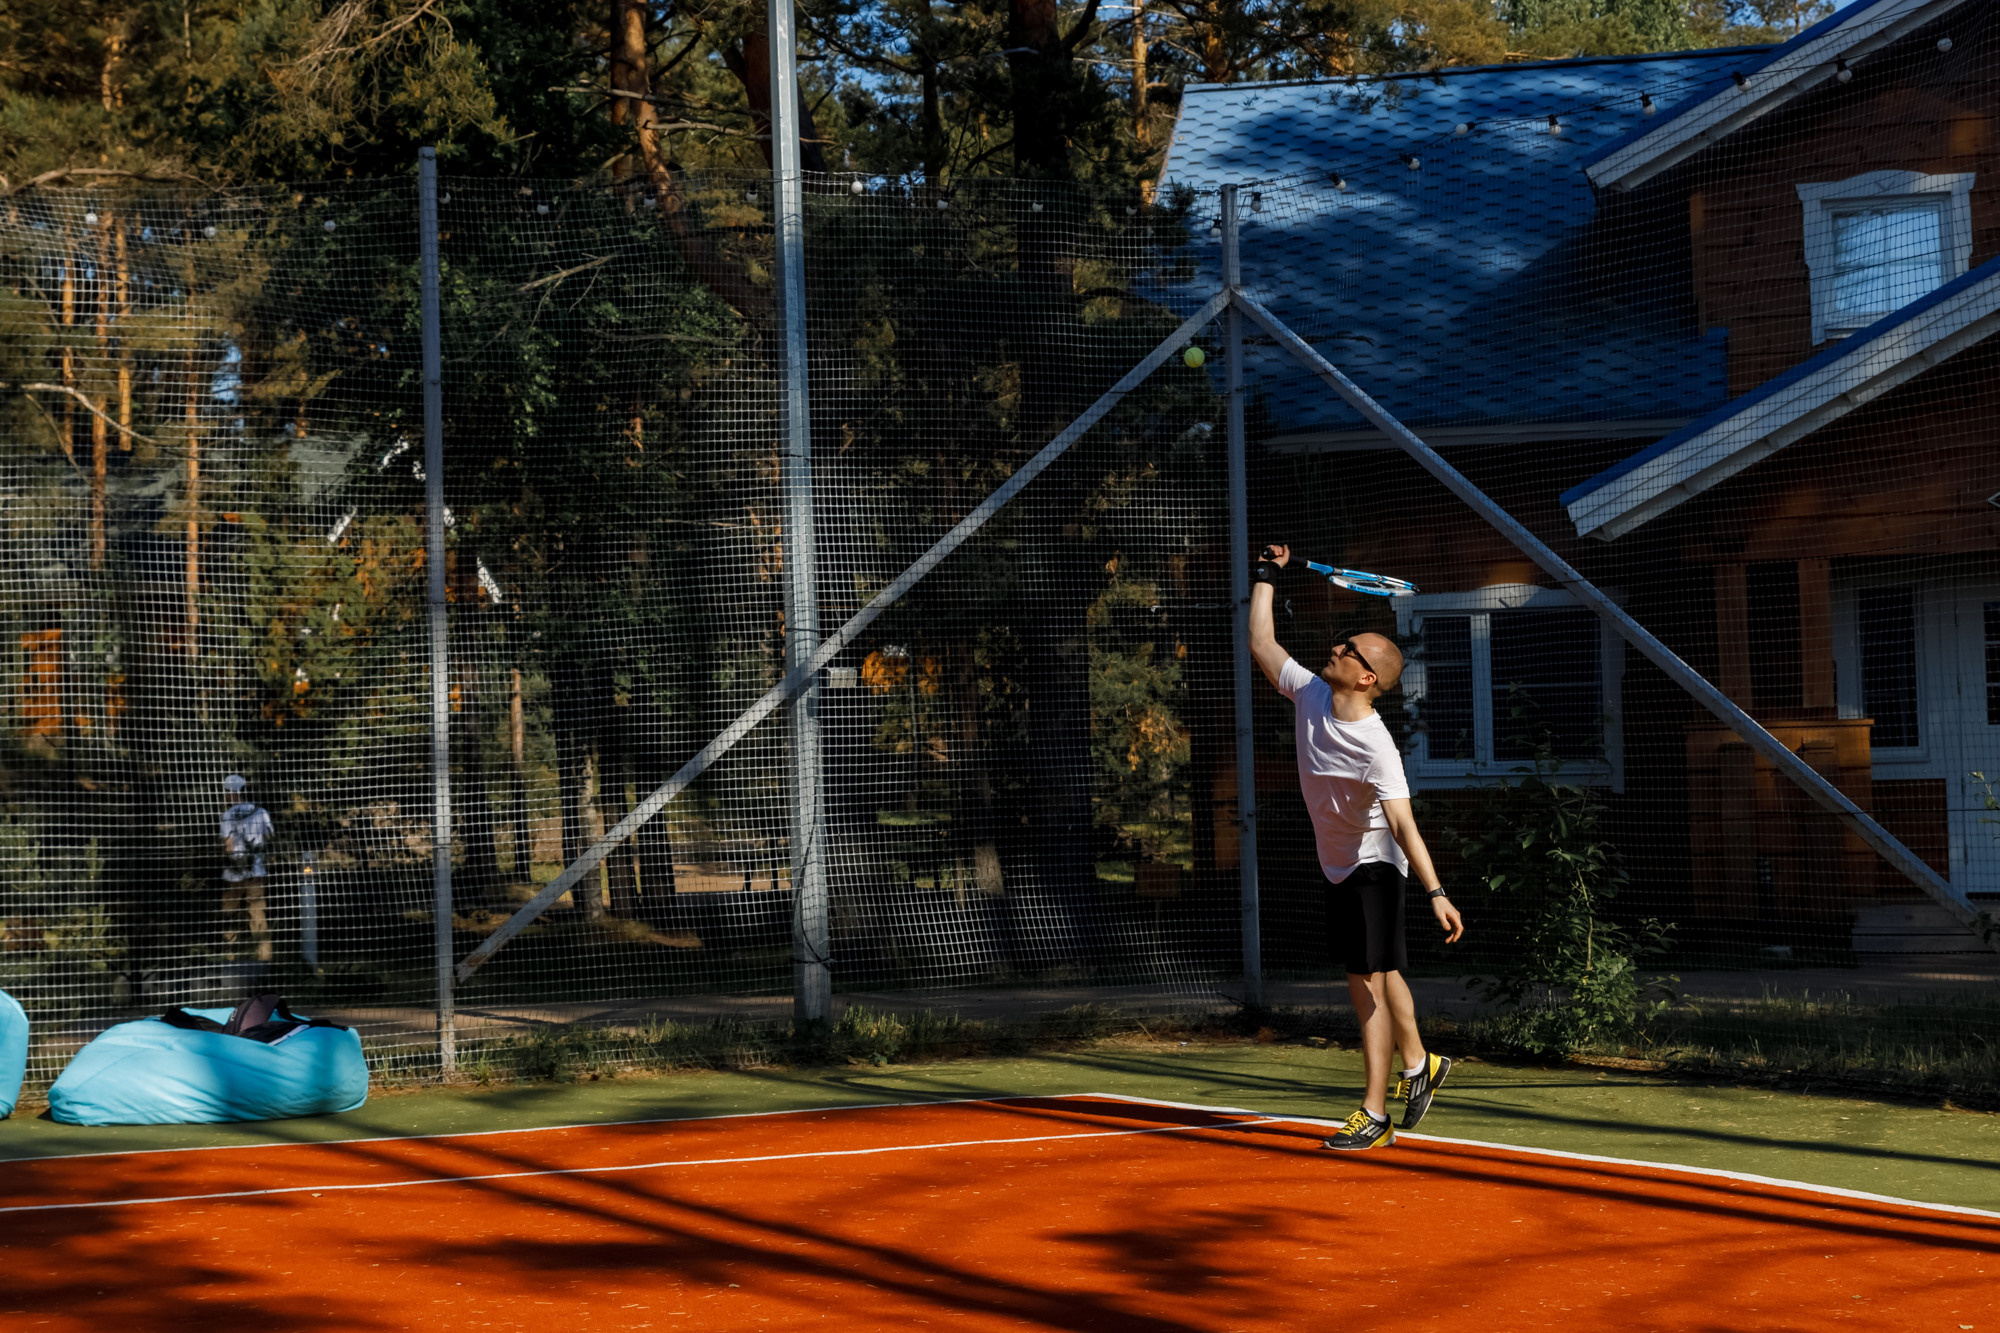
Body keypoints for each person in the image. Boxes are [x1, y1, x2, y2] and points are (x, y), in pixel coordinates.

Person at [1248, 544, 1464, 1151]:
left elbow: (1403, 824)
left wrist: (1436, 893)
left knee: (1364, 980)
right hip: (1336, 862)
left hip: (1374, 864)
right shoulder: (1312, 693)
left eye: (1351, 650)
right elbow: (1263, 645)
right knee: (1384, 969)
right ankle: (1421, 1063)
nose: (1338, 647)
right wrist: (1266, 576)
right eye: (1343, 642)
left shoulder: (1377, 746)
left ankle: (1374, 1112)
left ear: (1368, 678)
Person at [219, 774, 275, 963]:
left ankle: (229, 956)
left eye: (226, 792)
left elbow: (229, 846)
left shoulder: (227, 815)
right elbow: (269, 837)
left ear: (232, 793)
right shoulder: (261, 812)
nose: (225, 796)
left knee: (229, 914)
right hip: (256, 872)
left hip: (233, 874)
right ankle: (264, 959)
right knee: (258, 913)